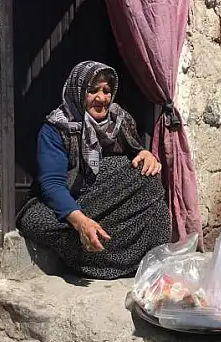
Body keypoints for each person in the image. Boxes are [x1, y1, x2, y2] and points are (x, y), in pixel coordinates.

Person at [17, 61, 171, 279]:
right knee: (37, 221)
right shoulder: (56, 129)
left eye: (107, 91)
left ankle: (152, 261)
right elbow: (52, 185)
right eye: (92, 90)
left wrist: (145, 155)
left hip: (100, 200)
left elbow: (134, 154)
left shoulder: (119, 120)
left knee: (147, 179)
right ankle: (97, 259)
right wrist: (81, 222)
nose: (101, 98)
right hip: (62, 204)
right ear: (77, 91)